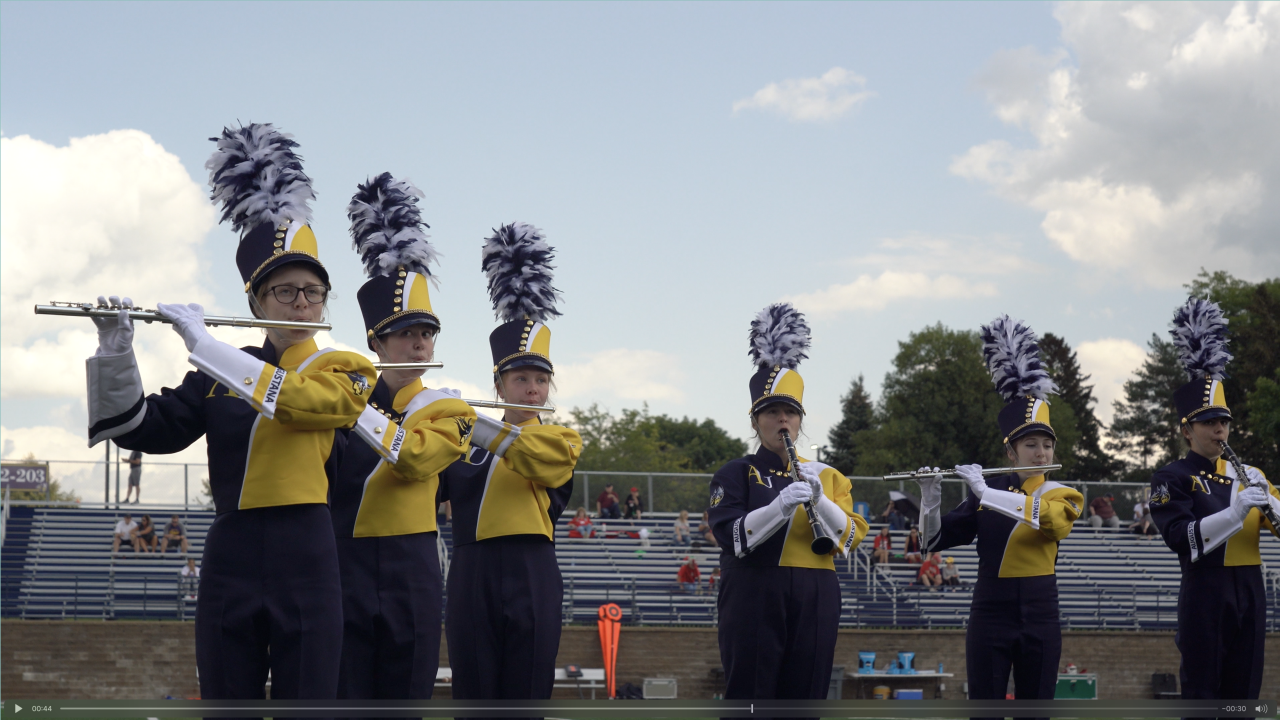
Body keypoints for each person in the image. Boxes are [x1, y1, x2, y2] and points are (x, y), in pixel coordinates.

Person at [85, 124, 375, 702]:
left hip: (308, 549)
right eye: (283, 291)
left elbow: (296, 402)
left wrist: (203, 343)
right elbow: (142, 428)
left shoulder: (348, 368)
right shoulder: (221, 372)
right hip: (231, 550)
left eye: (312, 292)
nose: (301, 302)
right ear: (255, 303)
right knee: (225, 697)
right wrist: (118, 352)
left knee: (307, 701)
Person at [331, 173, 477, 703]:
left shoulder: (449, 407)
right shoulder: (342, 394)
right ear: (377, 339)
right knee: (345, 692)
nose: (418, 343)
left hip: (411, 560)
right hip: (343, 556)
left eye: (425, 333)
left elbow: (416, 462)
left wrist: (355, 411)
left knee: (405, 691)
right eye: (405, 333)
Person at [438, 222, 581, 711]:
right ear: (499, 385)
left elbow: (532, 457)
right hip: (472, 565)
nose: (533, 389)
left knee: (527, 691)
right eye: (521, 378)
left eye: (541, 379)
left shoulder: (562, 439)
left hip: (532, 565)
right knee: (474, 693)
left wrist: (469, 421)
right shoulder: (461, 439)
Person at [915, 315, 1084, 709]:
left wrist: (984, 492)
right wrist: (930, 499)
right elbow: (932, 541)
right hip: (990, 610)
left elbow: (1051, 522)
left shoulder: (1063, 493)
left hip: (1041, 612)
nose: (1041, 453)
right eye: (1030, 446)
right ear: (1010, 452)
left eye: (1046, 444)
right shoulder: (985, 492)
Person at [708, 303, 868, 710]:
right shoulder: (735, 472)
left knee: (807, 696)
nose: (782, 421)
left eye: (790, 413)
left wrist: (821, 501)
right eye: (772, 412)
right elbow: (732, 538)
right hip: (753, 589)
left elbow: (850, 539)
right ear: (755, 420)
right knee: (751, 697)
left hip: (817, 591)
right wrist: (780, 506)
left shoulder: (828, 475)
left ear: (800, 421)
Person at [1148, 298, 1279, 703]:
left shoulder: (1251, 474)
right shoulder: (1172, 476)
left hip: (1252, 589)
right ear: (1187, 430)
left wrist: (1272, 505)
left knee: (1244, 692)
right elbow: (1180, 538)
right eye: (1208, 423)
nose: (1219, 430)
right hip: (1205, 591)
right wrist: (1236, 511)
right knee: (1204, 694)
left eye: (1223, 422)